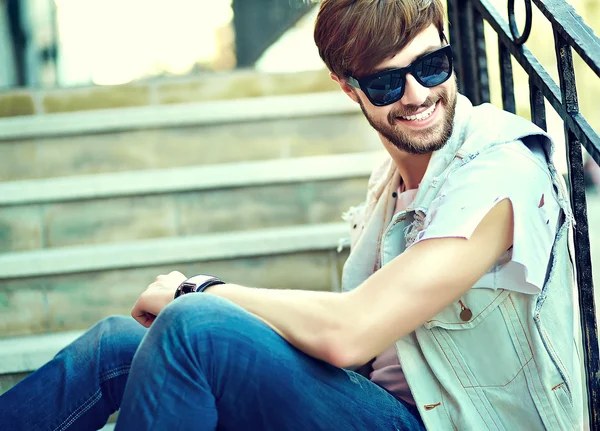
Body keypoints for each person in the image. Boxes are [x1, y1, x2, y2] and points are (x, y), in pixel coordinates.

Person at [1, 0, 584, 429]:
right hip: (377, 406)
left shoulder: (501, 171)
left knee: (193, 328)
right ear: (346, 87)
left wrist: (201, 291)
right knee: (115, 346)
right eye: (385, 82)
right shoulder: (396, 185)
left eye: (432, 65)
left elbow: (349, 331)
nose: (416, 94)